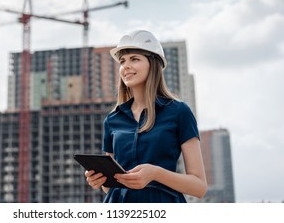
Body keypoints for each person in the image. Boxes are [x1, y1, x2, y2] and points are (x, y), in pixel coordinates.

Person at [85, 30, 207, 203]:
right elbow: (110, 187)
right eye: (122, 61)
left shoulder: (179, 112)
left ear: (153, 64)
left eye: (134, 59)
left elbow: (199, 187)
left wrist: (155, 173)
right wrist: (100, 179)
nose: (125, 66)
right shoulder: (112, 120)